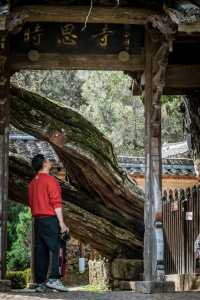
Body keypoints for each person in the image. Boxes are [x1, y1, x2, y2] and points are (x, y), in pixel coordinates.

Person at [28, 154, 69, 292]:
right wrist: (62, 224)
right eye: (48, 160)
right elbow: (56, 204)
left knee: (41, 251)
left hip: (37, 221)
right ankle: (53, 279)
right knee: (56, 248)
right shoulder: (51, 180)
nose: (50, 161)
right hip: (50, 219)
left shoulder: (32, 183)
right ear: (45, 163)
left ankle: (40, 283)